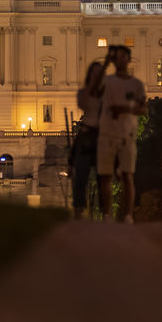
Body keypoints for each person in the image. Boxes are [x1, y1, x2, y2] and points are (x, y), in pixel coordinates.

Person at [96, 45, 147, 222]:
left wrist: (125, 108)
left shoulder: (136, 84)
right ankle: (107, 215)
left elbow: (144, 108)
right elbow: (93, 88)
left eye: (122, 56)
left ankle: (128, 215)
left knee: (128, 176)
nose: (120, 60)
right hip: (108, 134)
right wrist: (104, 64)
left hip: (127, 134)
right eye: (116, 57)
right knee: (106, 176)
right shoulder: (107, 81)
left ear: (128, 59)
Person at [70, 61, 105, 217]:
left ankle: (105, 212)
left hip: (102, 137)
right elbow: (83, 104)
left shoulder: (107, 93)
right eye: (94, 73)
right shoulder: (83, 92)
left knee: (102, 177)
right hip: (86, 137)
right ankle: (79, 208)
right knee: (80, 175)